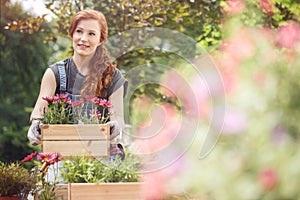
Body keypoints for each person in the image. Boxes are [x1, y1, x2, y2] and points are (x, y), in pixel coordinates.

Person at [27, 9, 128, 160]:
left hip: (101, 155)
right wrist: (36, 124)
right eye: (79, 31)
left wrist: (115, 128)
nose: (83, 39)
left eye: (91, 34)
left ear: (100, 40)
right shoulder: (55, 73)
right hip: (63, 154)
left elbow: (117, 116)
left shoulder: (113, 76)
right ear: (72, 34)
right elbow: (39, 111)